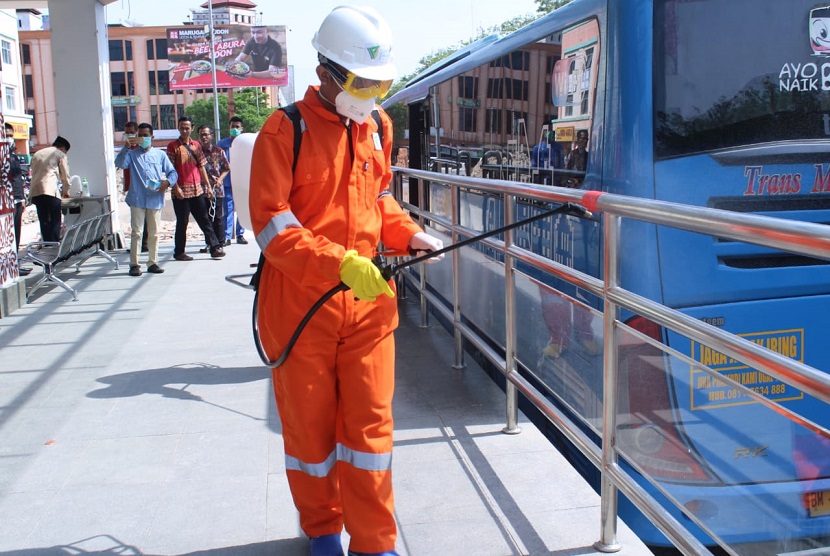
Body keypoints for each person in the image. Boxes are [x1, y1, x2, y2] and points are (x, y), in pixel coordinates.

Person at [248, 6, 443, 556]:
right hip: (300, 308)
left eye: (383, 83)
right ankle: (323, 530)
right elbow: (270, 224)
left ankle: (376, 543)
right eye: (364, 82)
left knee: (371, 431)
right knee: (310, 434)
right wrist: (339, 264)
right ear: (327, 71)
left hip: (370, 304)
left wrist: (409, 235)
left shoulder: (377, 126)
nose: (375, 94)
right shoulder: (284, 129)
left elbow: (379, 200)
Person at [115, 122, 178, 277]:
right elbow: (119, 163)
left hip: (155, 198)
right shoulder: (131, 154)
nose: (143, 138)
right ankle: (134, 264)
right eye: (140, 135)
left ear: (152, 137)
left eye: (146, 135)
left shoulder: (160, 155)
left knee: (154, 232)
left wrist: (167, 182)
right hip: (137, 197)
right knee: (137, 232)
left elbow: (173, 173)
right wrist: (126, 147)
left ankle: (153, 262)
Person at [166, 115, 225, 261]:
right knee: (182, 222)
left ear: (192, 129)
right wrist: (176, 188)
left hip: (197, 189)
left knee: (205, 220)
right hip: (181, 192)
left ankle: (214, 247)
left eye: (187, 128)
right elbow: (170, 169)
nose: (184, 130)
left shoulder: (196, 146)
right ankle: (179, 252)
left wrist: (208, 187)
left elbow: (201, 167)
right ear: (178, 128)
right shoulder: (172, 146)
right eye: (182, 128)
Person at [29, 136, 71, 243]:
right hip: (50, 191)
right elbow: (65, 176)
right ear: (62, 148)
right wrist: (66, 192)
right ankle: (54, 246)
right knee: (55, 220)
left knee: (44, 221)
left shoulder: (37, 153)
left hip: (35, 191)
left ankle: (47, 246)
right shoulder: (59, 154)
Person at [195, 124, 230, 254]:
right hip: (201, 190)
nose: (204, 137)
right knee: (206, 218)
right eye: (201, 135)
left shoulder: (218, 151)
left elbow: (226, 168)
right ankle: (210, 244)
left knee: (218, 217)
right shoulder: (196, 152)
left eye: (206, 134)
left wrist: (220, 180)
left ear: (211, 136)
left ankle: (220, 243)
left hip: (217, 189)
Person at [217, 116, 247, 245]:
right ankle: (227, 236)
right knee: (228, 209)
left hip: (242, 182)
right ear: (228, 128)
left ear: (241, 128)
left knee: (242, 209)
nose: (234, 129)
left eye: (237, 127)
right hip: (227, 183)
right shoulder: (222, 144)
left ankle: (240, 235)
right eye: (232, 127)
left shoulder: (246, 144)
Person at [5, 123, 31, 276]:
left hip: (17, 199)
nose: (9, 138)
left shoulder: (13, 154)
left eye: (11, 135)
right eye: (6, 135)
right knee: (8, 236)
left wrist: (21, 199)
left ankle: (15, 264)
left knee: (16, 234)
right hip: (7, 201)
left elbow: (18, 179)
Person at [122, 120, 148, 253]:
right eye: (126, 133)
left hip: (143, 187)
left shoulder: (142, 148)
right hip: (131, 186)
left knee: (146, 217)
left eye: (132, 133)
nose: (129, 136)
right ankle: (139, 244)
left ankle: (145, 243)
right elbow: (120, 164)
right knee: (136, 219)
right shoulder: (127, 149)